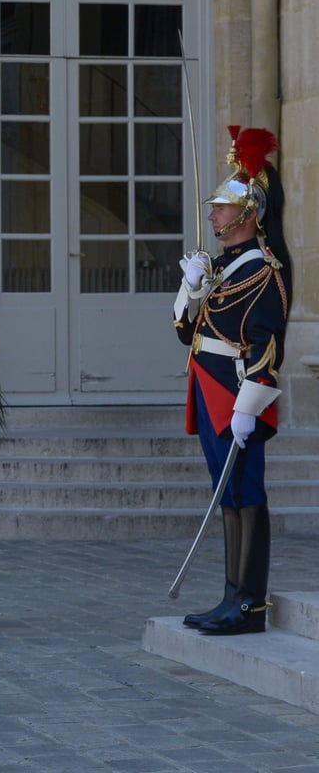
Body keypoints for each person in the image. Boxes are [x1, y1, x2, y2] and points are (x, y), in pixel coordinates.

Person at [174, 126, 292, 636]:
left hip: (237, 396)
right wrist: (193, 288)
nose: (212, 215)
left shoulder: (264, 270)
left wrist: (250, 406)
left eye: (221, 209)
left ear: (249, 214)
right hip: (208, 387)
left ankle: (250, 604)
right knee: (227, 495)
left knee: (247, 492)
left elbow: (268, 346)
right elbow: (185, 332)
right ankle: (230, 594)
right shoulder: (221, 267)